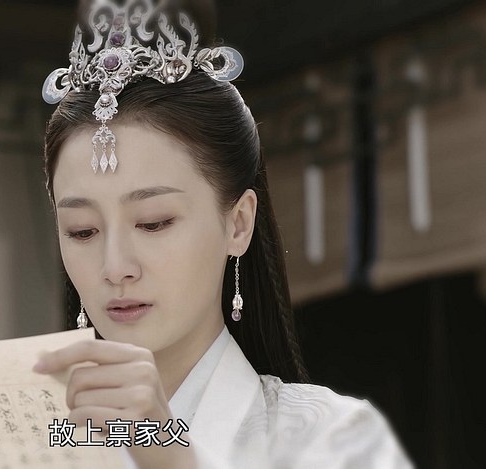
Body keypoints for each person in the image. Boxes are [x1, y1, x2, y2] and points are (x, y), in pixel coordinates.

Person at [32, 0, 414, 467]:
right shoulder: (34, 443)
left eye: (153, 222)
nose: (115, 268)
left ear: (238, 223)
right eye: (82, 231)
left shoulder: (333, 440)